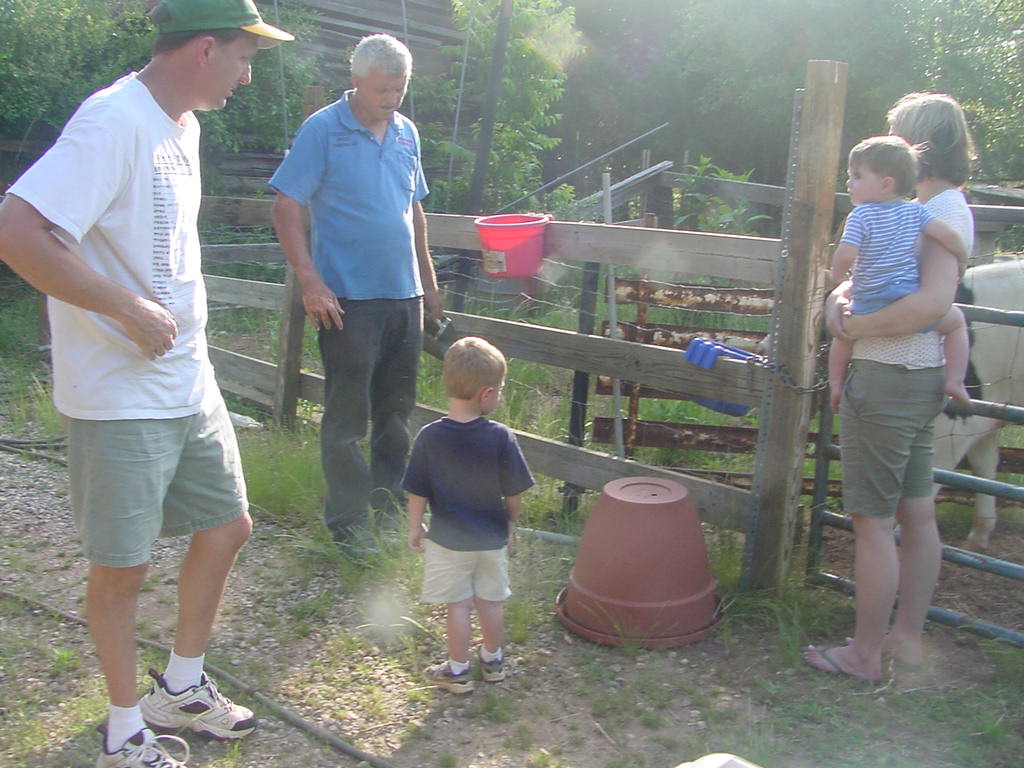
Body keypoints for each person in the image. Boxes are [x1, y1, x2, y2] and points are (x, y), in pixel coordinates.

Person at [0, 2, 293, 766]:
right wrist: (123, 306)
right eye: (243, 55)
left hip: (186, 380)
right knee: (122, 569)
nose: (247, 72)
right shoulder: (113, 122)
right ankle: (124, 730)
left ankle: (181, 687)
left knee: (228, 527)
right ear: (204, 48)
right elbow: (17, 230)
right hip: (118, 393)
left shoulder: (183, 127)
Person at [806, 92, 977, 681]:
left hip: (889, 377)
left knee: (873, 522)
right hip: (918, 375)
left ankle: (863, 654)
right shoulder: (931, 209)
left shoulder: (937, 213)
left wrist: (849, 324)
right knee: (917, 513)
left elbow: (929, 304)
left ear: (917, 146)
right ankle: (904, 639)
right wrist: (838, 304)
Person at [270, 33, 443, 549]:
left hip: (403, 297)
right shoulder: (322, 130)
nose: (392, 100)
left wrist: (429, 283)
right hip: (347, 299)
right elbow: (285, 206)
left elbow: (414, 210)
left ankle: (390, 516)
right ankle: (347, 528)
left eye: (400, 89)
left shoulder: (408, 133)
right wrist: (310, 280)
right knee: (348, 419)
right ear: (356, 81)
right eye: (383, 90)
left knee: (395, 413)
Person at [402, 337, 534, 694]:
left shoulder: (430, 437)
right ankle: (492, 661)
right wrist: (510, 525)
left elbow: (418, 490)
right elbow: (515, 492)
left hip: (448, 541)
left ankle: (458, 671)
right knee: (491, 602)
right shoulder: (501, 438)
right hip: (490, 539)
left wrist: (415, 527)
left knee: (457, 605)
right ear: (487, 394)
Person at [826, 135, 970, 415]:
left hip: (870, 297)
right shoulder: (917, 212)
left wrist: (837, 275)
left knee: (843, 336)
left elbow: (845, 253)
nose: (849, 182)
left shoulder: (861, 216)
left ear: (886, 184)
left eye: (856, 176)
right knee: (955, 324)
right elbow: (949, 236)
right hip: (904, 293)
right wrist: (962, 260)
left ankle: (834, 384)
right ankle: (955, 380)